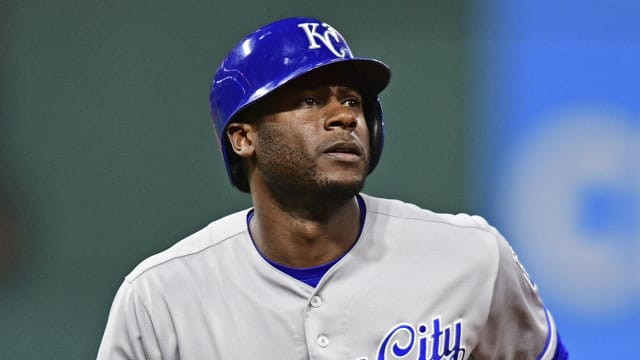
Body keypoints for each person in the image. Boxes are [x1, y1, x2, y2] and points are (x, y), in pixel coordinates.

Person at [97, 17, 568, 359]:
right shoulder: (160, 298)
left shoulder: (471, 257)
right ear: (244, 138)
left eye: (351, 100)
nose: (345, 116)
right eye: (309, 99)